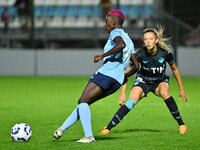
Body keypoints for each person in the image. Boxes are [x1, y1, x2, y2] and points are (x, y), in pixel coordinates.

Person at [53, 10, 139, 143]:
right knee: (84, 102)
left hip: (106, 75)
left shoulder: (115, 33)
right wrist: (125, 76)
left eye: (107, 21)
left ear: (115, 22)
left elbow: (120, 45)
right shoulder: (130, 41)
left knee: (82, 101)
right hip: (116, 81)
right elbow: (137, 66)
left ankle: (88, 136)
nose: (106, 25)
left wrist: (102, 56)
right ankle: (61, 130)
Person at [100, 26, 188, 135]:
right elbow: (127, 72)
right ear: (143, 41)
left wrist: (182, 89)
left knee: (165, 93)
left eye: (151, 39)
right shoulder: (140, 54)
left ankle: (182, 125)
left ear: (156, 40)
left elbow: (175, 69)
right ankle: (108, 128)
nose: (148, 41)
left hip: (159, 81)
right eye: (146, 39)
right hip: (143, 81)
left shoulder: (165, 53)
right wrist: (122, 93)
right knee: (131, 102)